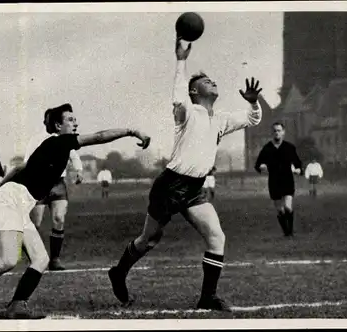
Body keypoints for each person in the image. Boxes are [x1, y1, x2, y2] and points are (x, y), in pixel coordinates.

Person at [0, 104, 151, 319]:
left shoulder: (52, 146)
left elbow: (18, 168)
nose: (76, 123)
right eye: (70, 120)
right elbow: (99, 136)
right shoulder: (60, 141)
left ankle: (17, 305)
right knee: (8, 260)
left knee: (41, 259)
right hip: (10, 201)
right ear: (57, 125)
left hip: (18, 203)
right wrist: (132, 131)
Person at [108, 36, 263, 312]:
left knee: (217, 237)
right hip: (170, 185)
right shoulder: (187, 112)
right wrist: (181, 60)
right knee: (149, 240)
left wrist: (253, 102)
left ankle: (208, 297)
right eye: (206, 81)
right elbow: (178, 94)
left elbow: (252, 119)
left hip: (194, 189)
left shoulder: (222, 118)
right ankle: (119, 272)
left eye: (212, 80)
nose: (212, 82)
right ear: (194, 92)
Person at [24, 105, 84, 271]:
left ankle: (55, 259)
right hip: (40, 184)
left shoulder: (65, 138)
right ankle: (35, 258)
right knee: (35, 223)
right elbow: (27, 162)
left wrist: (79, 170)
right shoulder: (37, 139)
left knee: (59, 219)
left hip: (58, 184)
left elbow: (73, 154)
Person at [254, 122, 302, 237]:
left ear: (283, 132)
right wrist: (262, 167)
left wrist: (298, 169)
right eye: (275, 130)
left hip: (287, 180)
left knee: (287, 207)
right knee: (280, 210)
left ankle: (289, 232)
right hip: (274, 181)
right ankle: (286, 231)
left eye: (279, 130)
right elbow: (258, 164)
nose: (277, 133)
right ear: (272, 133)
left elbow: (298, 163)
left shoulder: (289, 147)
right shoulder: (267, 148)